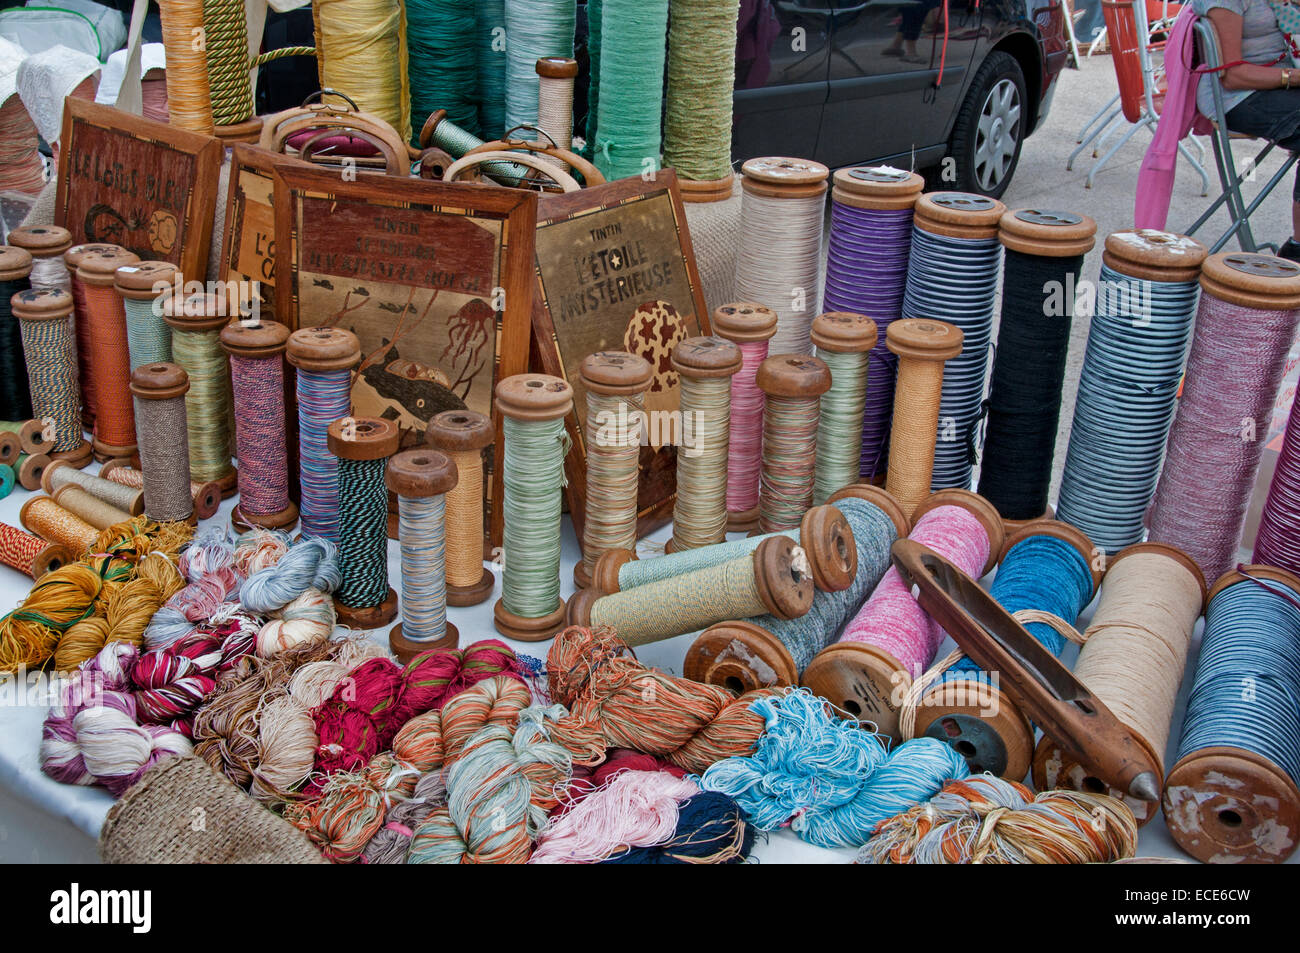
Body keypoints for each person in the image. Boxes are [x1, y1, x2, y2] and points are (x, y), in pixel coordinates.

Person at [1195, 0, 1300, 258]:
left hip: (1280, 81)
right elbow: (1232, 76)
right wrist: (1293, 77)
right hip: (1241, 96)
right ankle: (1297, 250)